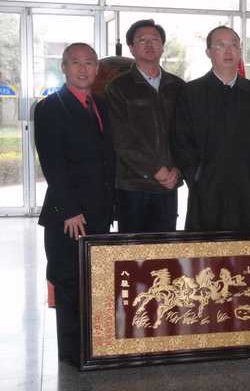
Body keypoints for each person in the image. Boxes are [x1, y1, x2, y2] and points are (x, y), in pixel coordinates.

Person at [34, 43, 115, 364]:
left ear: (97, 69)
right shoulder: (50, 107)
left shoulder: (101, 105)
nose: (84, 69)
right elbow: (53, 163)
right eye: (76, 62)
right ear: (64, 68)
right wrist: (69, 210)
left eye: (90, 63)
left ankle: (91, 348)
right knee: (68, 281)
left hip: (98, 211)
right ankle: (70, 354)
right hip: (68, 215)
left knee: (92, 280)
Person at [173, 25, 250, 231]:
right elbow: (181, 140)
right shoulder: (191, 92)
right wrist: (196, 175)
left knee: (245, 247)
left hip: (246, 188)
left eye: (234, 45)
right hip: (205, 188)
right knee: (205, 247)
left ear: (240, 51)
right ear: (208, 52)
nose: (229, 51)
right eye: (221, 45)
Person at [106, 19, 185, 233]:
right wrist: (155, 170)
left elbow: (186, 135)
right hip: (133, 185)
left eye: (155, 39)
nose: (149, 44)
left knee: (164, 247)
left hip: (169, 183)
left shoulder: (178, 86)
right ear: (131, 48)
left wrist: (178, 170)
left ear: (162, 46)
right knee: (133, 248)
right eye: (142, 40)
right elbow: (121, 139)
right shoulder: (118, 87)